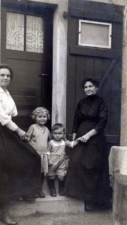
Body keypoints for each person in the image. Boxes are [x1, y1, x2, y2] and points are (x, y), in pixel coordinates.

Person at [0, 64, 42, 225]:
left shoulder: (6, 93)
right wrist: (19, 131)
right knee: (0, 168)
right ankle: (3, 212)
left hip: (7, 130)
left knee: (30, 156)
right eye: (2, 75)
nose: (5, 78)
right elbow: (2, 117)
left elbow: (11, 114)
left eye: (8, 76)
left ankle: (26, 190)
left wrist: (16, 131)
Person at [65, 78, 111, 211]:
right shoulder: (81, 103)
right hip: (80, 136)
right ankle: (78, 195)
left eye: (90, 86)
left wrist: (88, 135)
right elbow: (76, 120)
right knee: (77, 161)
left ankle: (94, 202)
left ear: (96, 88)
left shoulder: (101, 103)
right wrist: (74, 138)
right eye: (85, 87)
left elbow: (102, 122)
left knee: (92, 166)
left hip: (95, 138)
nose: (88, 89)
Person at [47, 123, 79, 197]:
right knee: (51, 175)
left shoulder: (64, 142)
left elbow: (72, 144)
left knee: (61, 176)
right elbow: (47, 152)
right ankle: (52, 189)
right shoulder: (51, 142)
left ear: (64, 134)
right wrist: (49, 160)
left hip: (61, 162)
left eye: (60, 133)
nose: (57, 135)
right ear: (52, 134)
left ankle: (61, 188)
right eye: (55, 133)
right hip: (52, 162)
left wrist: (78, 140)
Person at [26, 107, 51, 198]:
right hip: (35, 154)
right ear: (35, 117)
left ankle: (39, 189)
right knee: (34, 172)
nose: (42, 118)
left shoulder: (47, 129)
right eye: (40, 116)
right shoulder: (33, 127)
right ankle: (33, 190)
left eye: (44, 116)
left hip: (44, 155)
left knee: (41, 173)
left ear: (47, 117)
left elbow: (49, 141)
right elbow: (27, 139)